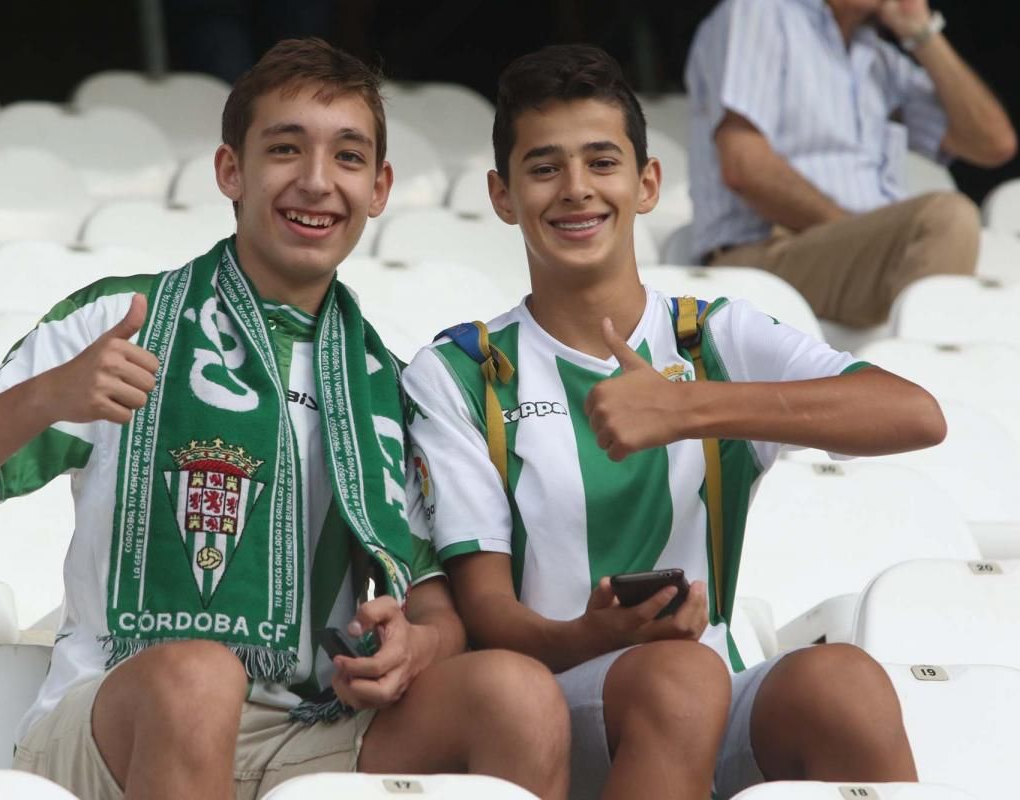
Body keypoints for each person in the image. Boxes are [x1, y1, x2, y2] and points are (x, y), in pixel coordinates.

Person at [0, 38, 570, 800]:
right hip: (126, 715)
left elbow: (434, 596)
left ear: (379, 189)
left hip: (314, 729)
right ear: (230, 172)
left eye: (347, 158)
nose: (316, 182)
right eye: (285, 149)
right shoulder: (124, 319)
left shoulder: (380, 376)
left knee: (521, 697)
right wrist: (48, 396)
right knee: (202, 674)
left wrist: (421, 644)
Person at [403, 43, 946, 799]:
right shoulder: (462, 370)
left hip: (704, 695)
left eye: (601, 161)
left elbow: (915, 414)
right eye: (544, 167)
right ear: (502, 195)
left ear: (647, 182)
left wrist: (689, 406)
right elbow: (489, 617)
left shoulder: (712, 336)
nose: (576, 190)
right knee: (680, 675)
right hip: (549, 710)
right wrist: (595, 637)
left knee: (844, 683)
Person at [685, 0, 1016, 328]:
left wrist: (923, 33)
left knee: (1000, 302)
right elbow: (744, 167)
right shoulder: (760, 12)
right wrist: (865, 238)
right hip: (765, 254)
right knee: (948, 218)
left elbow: (993, 144)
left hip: (853, 256)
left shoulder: (877, 56)